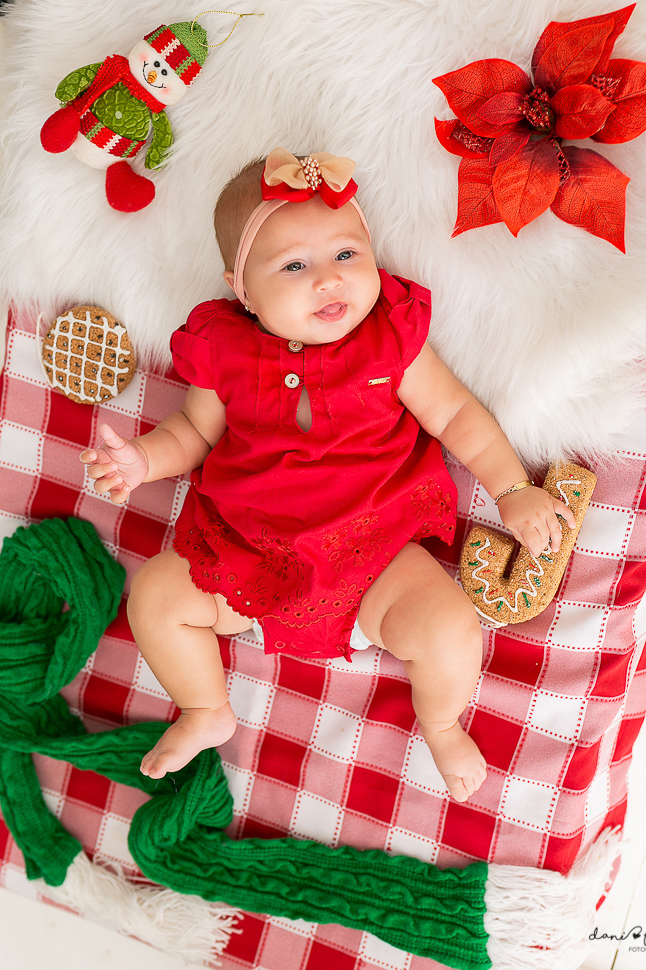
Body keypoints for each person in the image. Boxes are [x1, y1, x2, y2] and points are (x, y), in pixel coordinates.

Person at [79, 148, 575, 803]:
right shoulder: (224, 348)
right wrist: (142, 460)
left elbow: (456, 413)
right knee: (157, 596)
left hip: (375, 561)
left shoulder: (389, 340)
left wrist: (511, 489)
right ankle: (204, 707)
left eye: (346, 254)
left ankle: (442, 723)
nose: (329, 280)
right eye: (294, 266)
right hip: (246, 561)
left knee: (447, 627)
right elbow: (194, 433)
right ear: (242, 290)